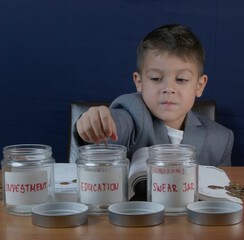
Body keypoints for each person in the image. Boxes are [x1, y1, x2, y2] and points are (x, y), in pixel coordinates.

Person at [75, 24, 234, 166]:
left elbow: (221, 191)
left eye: (181, 79)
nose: (168, 88)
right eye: (156, 78)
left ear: (199, 86)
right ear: (139, 82)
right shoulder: (132, 114)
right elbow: (117, 125)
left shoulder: (220, 138)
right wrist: (94, 123)